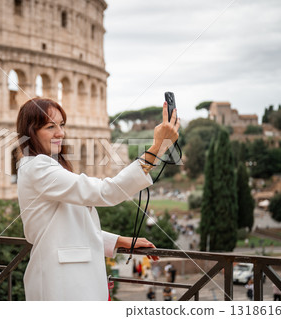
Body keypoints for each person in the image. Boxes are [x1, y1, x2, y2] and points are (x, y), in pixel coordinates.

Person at [16, 98, 180, 301]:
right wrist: (157, 149)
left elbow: (69, 228)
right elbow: (106, 192)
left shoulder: (45, 167)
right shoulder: (38, 167)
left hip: (70, 278)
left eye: (61, 125)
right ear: (31, 132)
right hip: (61, 282)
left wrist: (118, 241)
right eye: (51, 126)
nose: (60, 133)